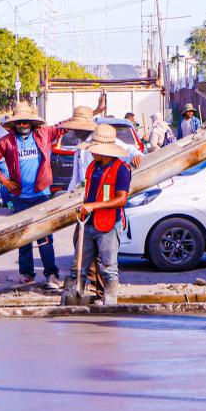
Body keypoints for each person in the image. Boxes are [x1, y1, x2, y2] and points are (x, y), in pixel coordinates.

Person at [0, 101, 97, 288]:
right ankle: (27, 274)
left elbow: (64, 126)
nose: (22, 125)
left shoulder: (44, 134)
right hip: (19, 197)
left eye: (25, 122)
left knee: (45, 237)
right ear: (14, 124)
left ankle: (51, 275)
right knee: (22, 237)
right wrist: (4, 181)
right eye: (19, 123)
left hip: (41, 195)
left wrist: (87, 116)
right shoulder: (6, 142)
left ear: (32, 123)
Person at [70, 124, 131, 306]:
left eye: (95, 150)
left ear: (105, 151)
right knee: (78, 266)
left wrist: (93, 206)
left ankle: (110, 302)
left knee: (108, 267)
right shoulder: (93, 167)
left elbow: (121, 199)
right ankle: (75, 295)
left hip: (109, 224)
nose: (92, 153)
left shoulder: (121, 169)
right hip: (88, 222)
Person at [65, 105, 143, 190]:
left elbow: (129, 150)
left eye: (76, 128)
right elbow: (76, 177)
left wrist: (137, 155)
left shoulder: (102, 139)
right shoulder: (80, 146)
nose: (74, 130)